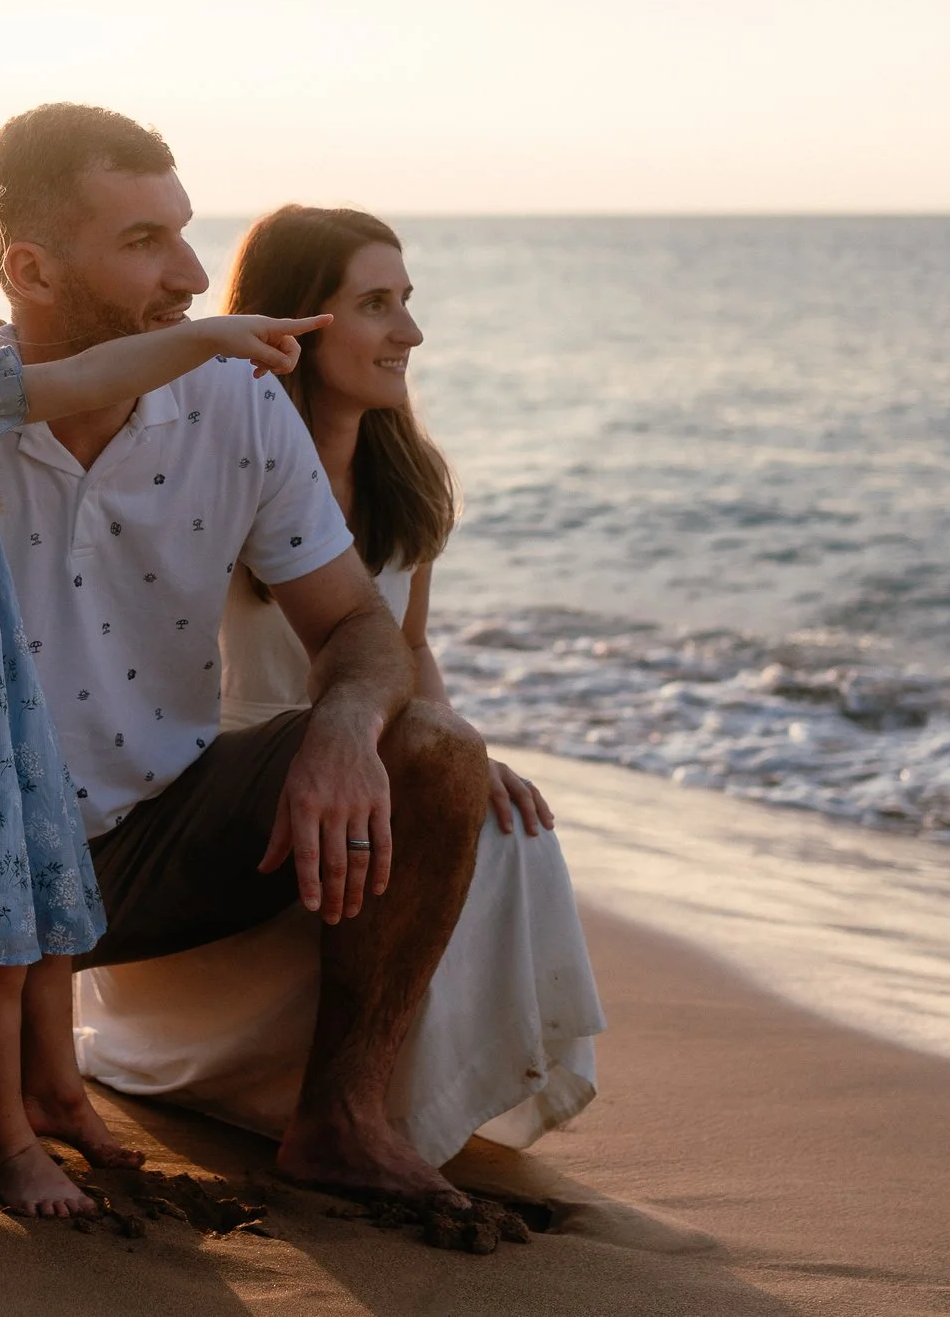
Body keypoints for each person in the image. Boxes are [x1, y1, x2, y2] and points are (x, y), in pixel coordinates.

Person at [0, 107, 500, 1210]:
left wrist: (339, 728)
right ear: (28, 268)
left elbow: (362, 631)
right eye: (143, 243)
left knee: (428, 746)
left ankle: (341, 1120)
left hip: (148, 845)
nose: (189, 272)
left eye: (184, 233)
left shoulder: (236, 405)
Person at [76, 205, 605, 1163]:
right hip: (230, 801)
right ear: (297, 323)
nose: (409, 332)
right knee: (415, 797)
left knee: (507, 824)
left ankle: (376, 1102)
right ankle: (303, 1094)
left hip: (353, 749)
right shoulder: (219, 453)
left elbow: (405, 645)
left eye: (406, 302)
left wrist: (447, 740)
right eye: (375, 304)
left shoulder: (405, 478)